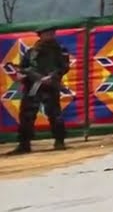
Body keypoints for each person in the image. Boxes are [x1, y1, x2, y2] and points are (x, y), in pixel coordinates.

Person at [9, 26, 72, 155]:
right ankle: (24, 144)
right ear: (41, 35)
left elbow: (64, 67)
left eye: (52, 33)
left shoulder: (60, 51)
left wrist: (52, 77)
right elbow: (23, 67)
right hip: (32, 87)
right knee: (26, 116)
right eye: (47, 33)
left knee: (55, 115)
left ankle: (59, 141)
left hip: (50, 86)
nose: (50, 35)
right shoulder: (31, 52)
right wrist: (21, 75)